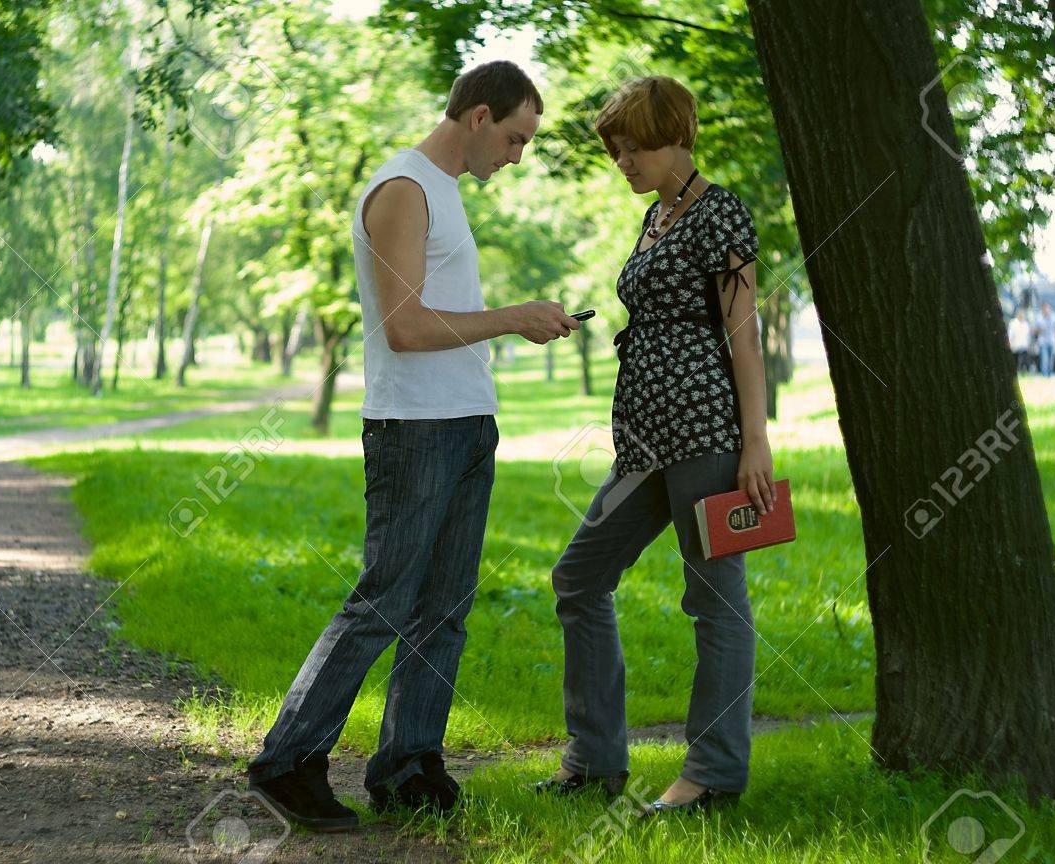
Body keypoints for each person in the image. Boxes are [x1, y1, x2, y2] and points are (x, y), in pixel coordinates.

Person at [246, 60, 580, 831]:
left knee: (445, 608)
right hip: (413, 429)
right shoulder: (404, 188)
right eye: (515, 138)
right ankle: (287, 760)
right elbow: (404, 327)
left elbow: (443, 316)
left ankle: (407, 764)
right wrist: (514, 315)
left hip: (467, 421)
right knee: (384, 601)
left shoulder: (448, 194)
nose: (516, 155)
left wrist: (513, 326)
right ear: (477, 115)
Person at [535, 75, 775, 817]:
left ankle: (712, 775)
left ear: (673, 134)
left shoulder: (720, 212)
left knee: (714, 602)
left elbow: (743, 335)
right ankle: (597, 760)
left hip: (705, 432)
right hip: (644, 441)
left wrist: (756, 442)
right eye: (616, 149)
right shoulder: (655, 218)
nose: (623, 160)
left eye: (632, 146)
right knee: (578, 578)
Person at [1035, 303, 1055, 377]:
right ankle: (1044, 375)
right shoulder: (1039, 317)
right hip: (1043, 342)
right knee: (1044, 359)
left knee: (1051, 359)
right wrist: (1040, 329)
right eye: (1044, 309)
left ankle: (1050, 374)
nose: (1046, 310)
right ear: (1042, 309)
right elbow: (1034, 330)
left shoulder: (1054, 317)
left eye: (1047, 308)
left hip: (1052, 341)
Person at [1008, 308, 1031, 374]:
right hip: (1015, 346)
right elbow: (1010, 334)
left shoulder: (1026, 324)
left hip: (1024, 346)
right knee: (1015, 361)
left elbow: (1027, 336)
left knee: (1023, 361)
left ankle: (1023, 372)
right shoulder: (1013, 323)